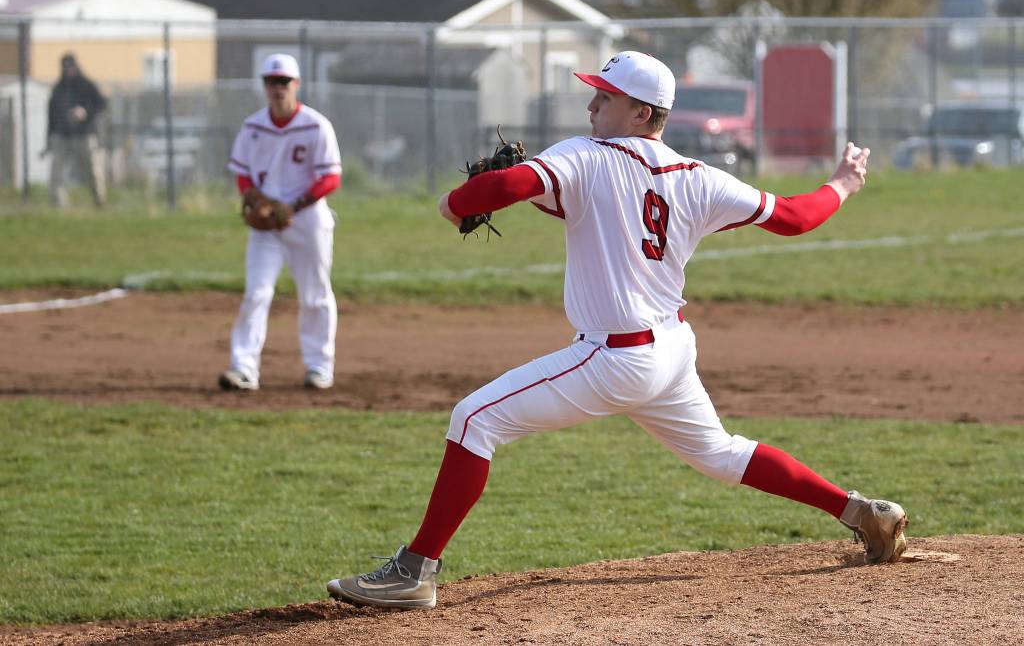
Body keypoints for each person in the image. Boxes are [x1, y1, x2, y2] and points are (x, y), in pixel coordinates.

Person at [326, 51, 907, 610]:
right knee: (722, 453)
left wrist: (456, 201)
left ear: (639, 113)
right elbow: (795, 218)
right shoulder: (698, 176)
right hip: (672, 352)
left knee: (474, 420)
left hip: (616, 358)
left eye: (604, 97)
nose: (590, 107)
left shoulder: (588, 154)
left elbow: (504, 189)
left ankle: (414, 572)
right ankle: (862, 512)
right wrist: (843, 184)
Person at [218, 53, 342, 392]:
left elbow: (331, 177)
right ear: (264, 86)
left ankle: (319, 367)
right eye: (272, 82)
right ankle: (243, 368)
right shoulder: (253, 126)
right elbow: (242, 174)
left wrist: (295, 205)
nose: (277, 88)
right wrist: (256, 201)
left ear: (296, 84)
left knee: (314, 295)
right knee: (256, 293)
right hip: (267, 225)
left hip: (309, 220)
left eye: (284, 81)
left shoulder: (316, 125)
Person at [43, 53, 107, 208]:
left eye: (71, 67)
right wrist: (49, 138)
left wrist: (85, 111)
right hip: (62, 136)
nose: (68, 70)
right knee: (56, 171)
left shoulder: (86, 85)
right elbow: (51, 114)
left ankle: (99, 201)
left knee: (93, 171)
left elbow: (102, 104)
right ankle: (58, 204)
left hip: (84, 135)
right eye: (65, 67)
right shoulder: (58, 88)